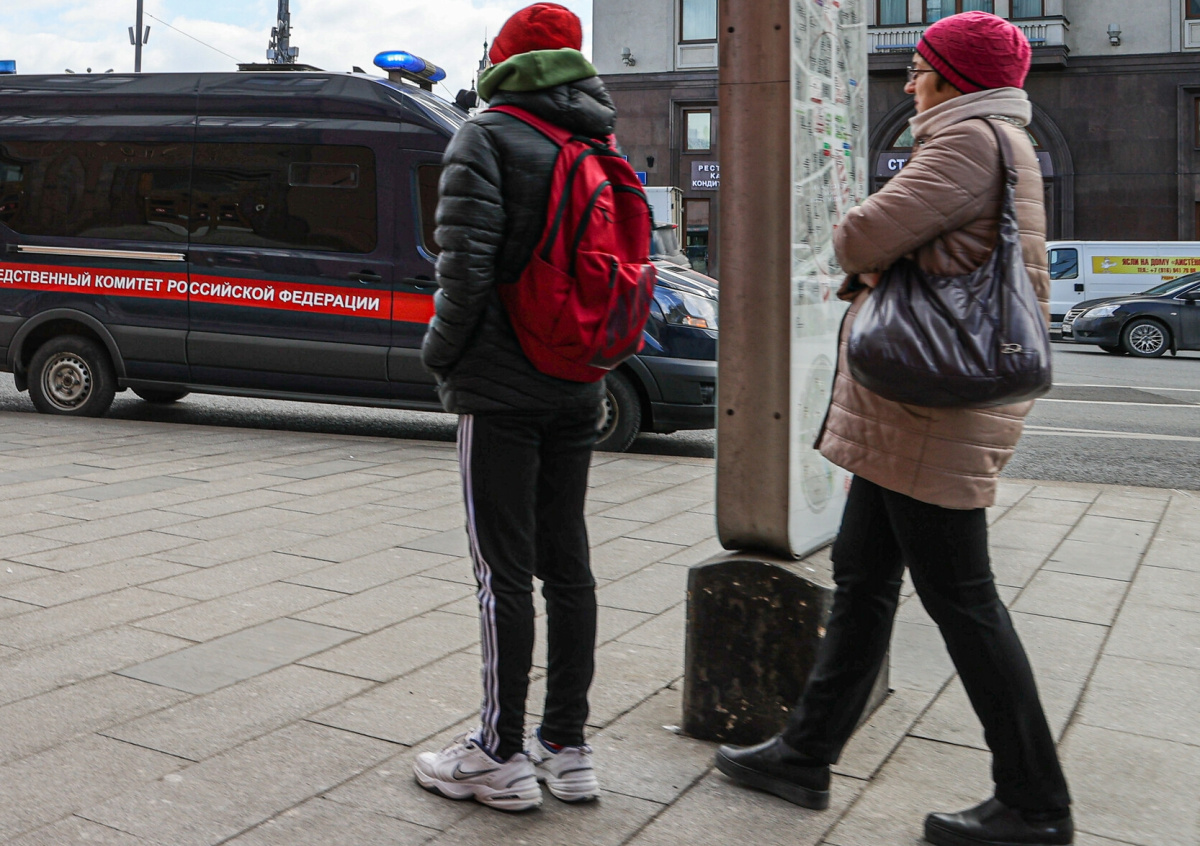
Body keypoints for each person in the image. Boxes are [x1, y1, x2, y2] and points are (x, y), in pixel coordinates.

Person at [713, 12, 1073, 846]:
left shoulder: (966, 141)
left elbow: (857, 235)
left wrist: (876, 262)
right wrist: (890, 262)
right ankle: (803, 755)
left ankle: (1035, 802)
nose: (910, 83)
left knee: (963, 599)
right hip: (914, 407)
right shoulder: (997, 140)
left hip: (929, 409)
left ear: (953, 78)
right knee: (864, 575)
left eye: (920, 68)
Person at [413, 2, 612, 812]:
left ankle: (498, 753)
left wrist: (440, 353)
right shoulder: (596, 141)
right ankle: (567, 745)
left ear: (503, 62)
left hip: (501, 383)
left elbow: (464, 267)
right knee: (568, 566)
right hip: (580, 378)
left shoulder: (486, 136)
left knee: (502, 572)